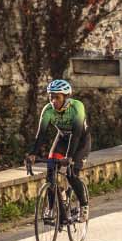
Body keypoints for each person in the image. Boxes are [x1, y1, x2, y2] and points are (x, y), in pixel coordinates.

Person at [26, 78, 91, 223]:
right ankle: (52, 207)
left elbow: (76, 135)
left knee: (71, 174)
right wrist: (33, 154)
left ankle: (84, 206)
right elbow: (41, 135)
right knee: (51, 170)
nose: (53, 101)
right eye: (51, 97)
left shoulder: (77, 107)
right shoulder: (48, 110)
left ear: (66, 97)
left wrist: (69, 157)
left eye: (57, 97)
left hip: (80, 141)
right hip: (62, 138)